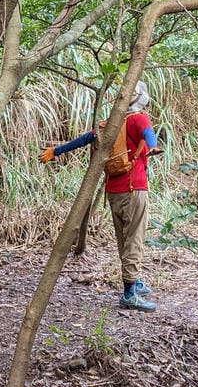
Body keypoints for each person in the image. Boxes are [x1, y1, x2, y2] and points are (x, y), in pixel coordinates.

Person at [39, 80, 160, 311]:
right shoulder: (139, 118)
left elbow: (85, 139)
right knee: (135, 239)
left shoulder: (111, 124)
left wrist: (56, 151)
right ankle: (129, 293)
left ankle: (134, 281)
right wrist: (153, 147)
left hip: (113, 192)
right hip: (134, 189)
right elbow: (148, 132)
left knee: (124, 238)